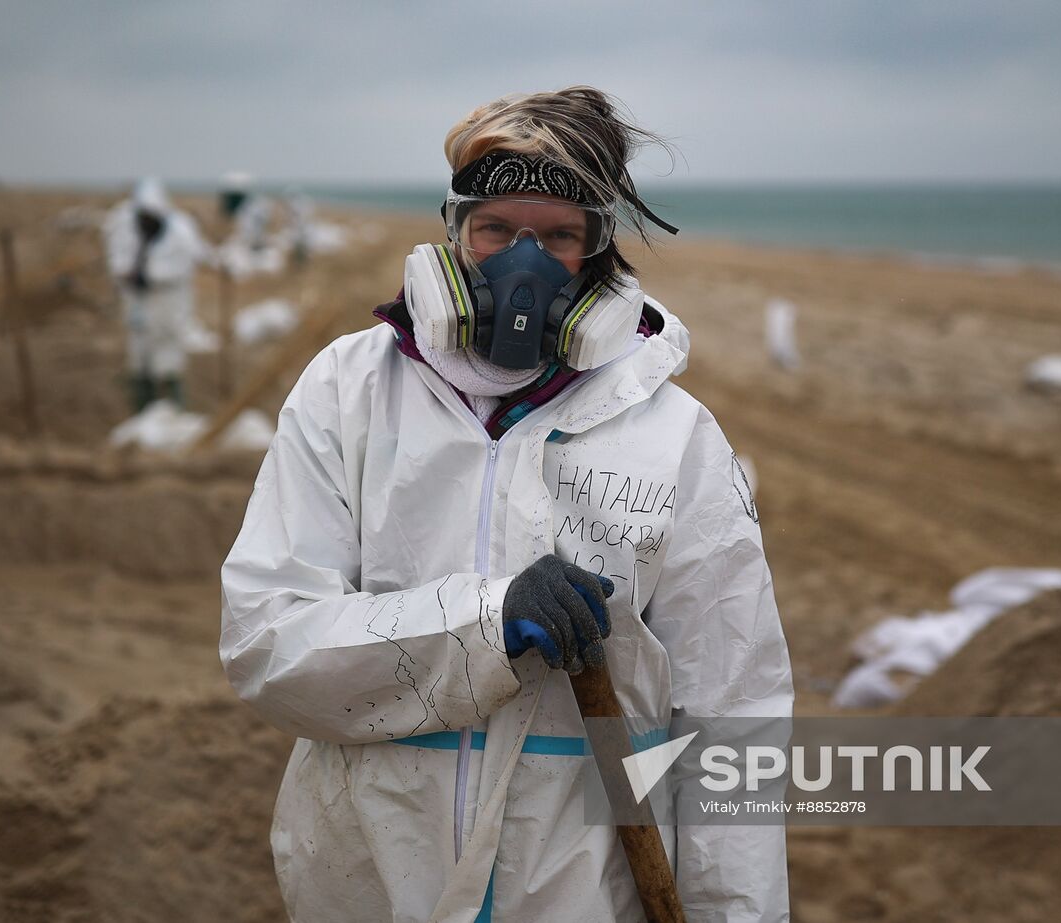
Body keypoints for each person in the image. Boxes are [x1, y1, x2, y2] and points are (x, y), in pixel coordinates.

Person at [221, 86, 793, 922]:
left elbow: (733, 711)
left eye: (560, 236)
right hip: (368, 878)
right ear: (454, 235)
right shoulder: (348, 392)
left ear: (600, 253)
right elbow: (268, 642)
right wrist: (487, 625)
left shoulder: (675, 438)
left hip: (580, 889)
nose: (522, 263)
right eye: (496, 230)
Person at [102, 177, 211, 411]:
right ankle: (143, 405)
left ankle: (172, 405)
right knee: (139, 353)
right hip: (138, 302)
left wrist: (151, 275)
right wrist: (129, 275)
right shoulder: (125, 228)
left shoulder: (180, 231)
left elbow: (186, 261)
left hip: (169, 303)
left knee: (168, 353)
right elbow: (117, 260)